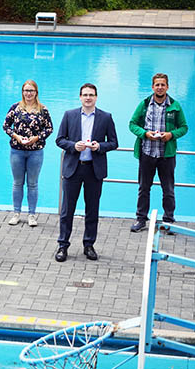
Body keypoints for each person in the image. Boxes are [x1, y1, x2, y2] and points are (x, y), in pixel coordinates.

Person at [54, 83, 118, 263]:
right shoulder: (69, 115)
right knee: (67, 211)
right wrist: (73, 146)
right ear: (80, 97)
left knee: (92, 210)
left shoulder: (106, 117)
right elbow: (59, 140)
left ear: (96, 97)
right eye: (85, 95)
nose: (88, 98)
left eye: (91, 95)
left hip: (93, 169)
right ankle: (63, 245)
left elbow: (113, 142)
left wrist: (100, 146)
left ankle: (89, 245)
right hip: (73, 168)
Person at [129, 73, 189, 233]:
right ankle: (141, 219)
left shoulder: (175, 106)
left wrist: (171, 135)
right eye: (157, 85)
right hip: (147, 154)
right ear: (152, 87)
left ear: (167, 87)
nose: (160, 87)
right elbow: (132, 124)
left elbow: (184, 127)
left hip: (166, 155)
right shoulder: (145, 104)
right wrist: (145, 134)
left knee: (168, 189)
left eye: (163, 84)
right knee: (143, 188)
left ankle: (168, 221)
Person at [2, 80, 53, 227]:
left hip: (35, 152)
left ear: (36, 92)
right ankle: (16, 213)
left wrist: (36, 138)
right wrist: (16, 137)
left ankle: (31, 214)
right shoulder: (15, 108)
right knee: (17, 183)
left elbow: (49, 128)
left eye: (31, 91)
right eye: (26, 90)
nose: (28, 93)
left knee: (33, 184)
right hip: (17, 151)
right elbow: (6, 126)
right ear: (22, 92)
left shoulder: (43, 109)